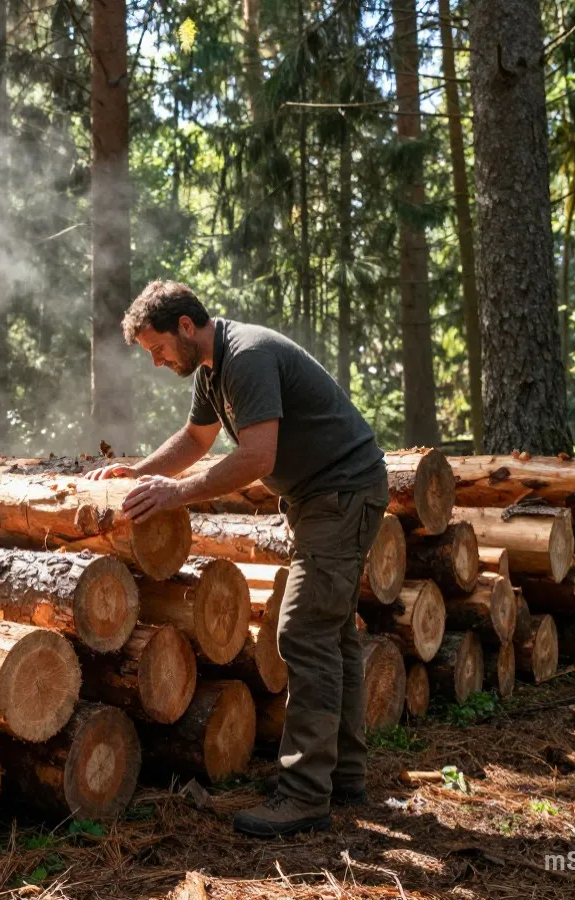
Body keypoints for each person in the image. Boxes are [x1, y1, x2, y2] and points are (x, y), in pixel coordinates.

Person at [87, 280, 389, 838]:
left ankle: (304, 798)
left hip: (342, 495)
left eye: (156, 348)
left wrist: (176, 494)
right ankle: (342, 780)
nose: (155, 362)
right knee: (332, 635)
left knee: (302, 632)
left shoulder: (246, 356)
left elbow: (256, 456)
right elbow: (196, 439)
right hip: (326, 498)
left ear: (184, 325)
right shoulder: (211, 367)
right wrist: (137, 473)